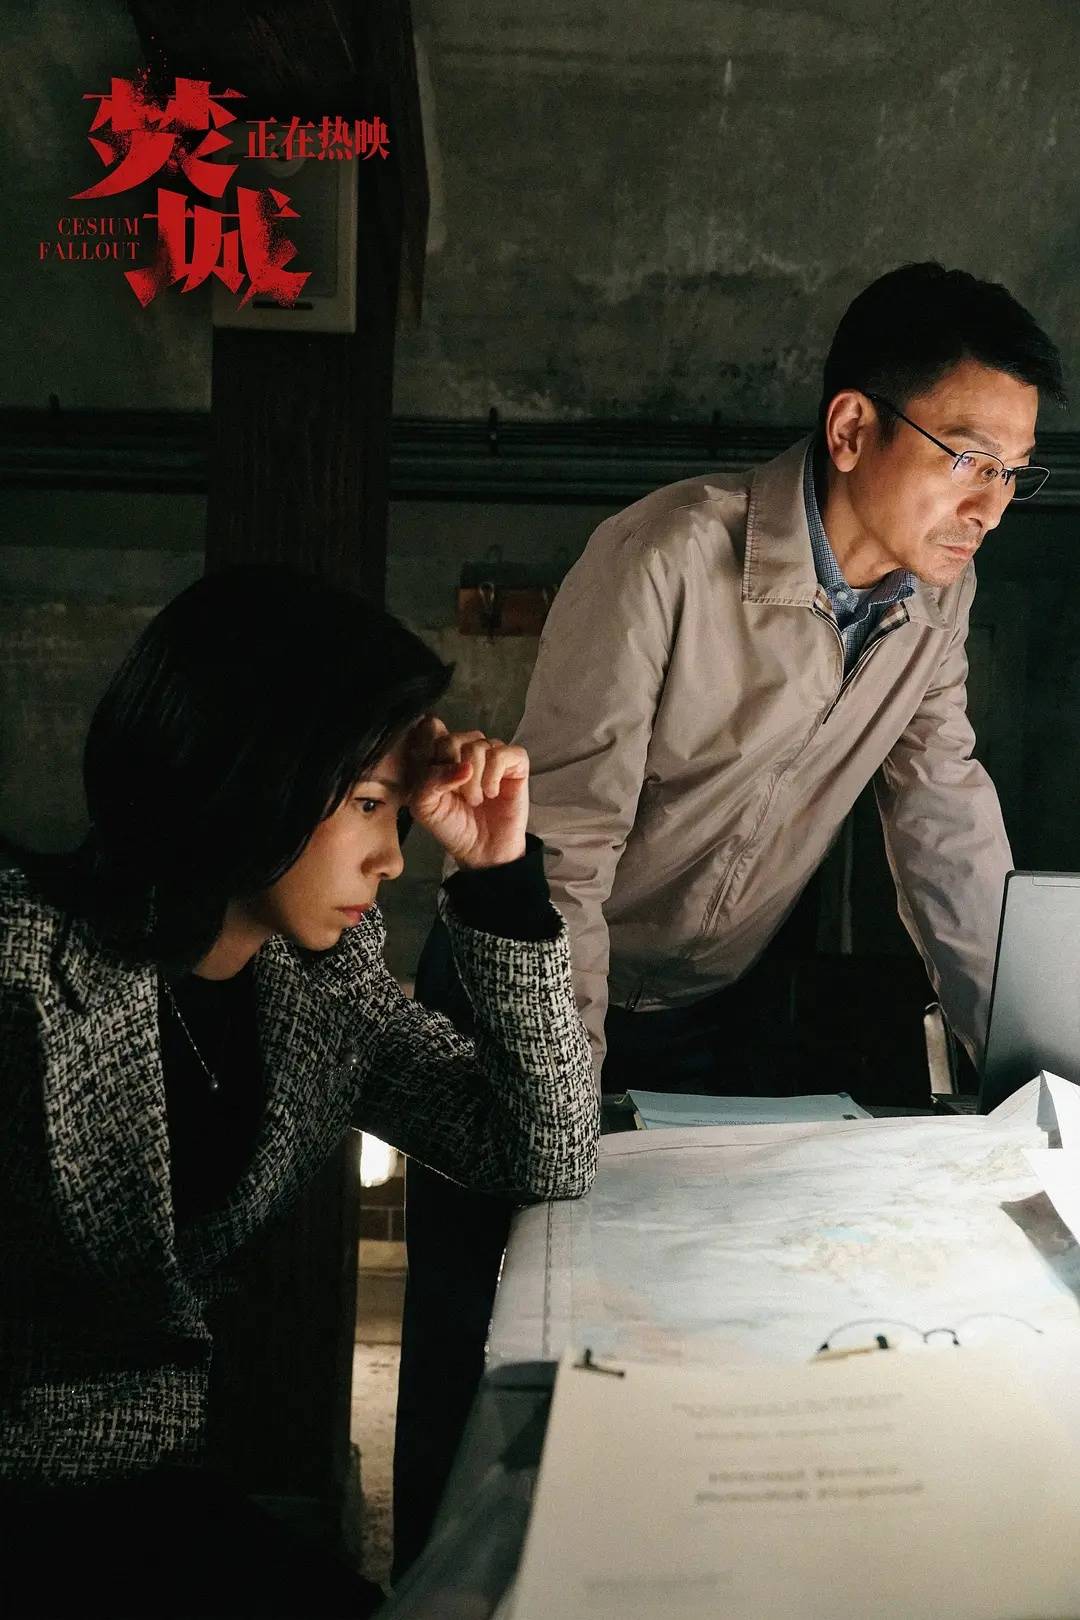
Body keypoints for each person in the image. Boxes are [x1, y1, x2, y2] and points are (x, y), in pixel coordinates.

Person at [393, 261, 1066, 1573]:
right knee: (492, 1344)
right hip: (529, 995)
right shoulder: (663, 559)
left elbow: (941, 816)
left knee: (686, 1343)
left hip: (716, 1004)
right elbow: (569, 859)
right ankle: (435, 1584)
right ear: (853, 427)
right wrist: (561, 1108)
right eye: (968, 459)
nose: (991, 506)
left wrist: (1036, 1077)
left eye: (1017, 475)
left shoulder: (937, 595)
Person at [0, 565, 598, 1620]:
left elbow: (540, 1150)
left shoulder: (320, 991)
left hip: (139, 1509)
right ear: (248, 773)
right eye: (367, 805)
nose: (392, 859)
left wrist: (500, 877)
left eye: (398, 812)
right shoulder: (23, 969)